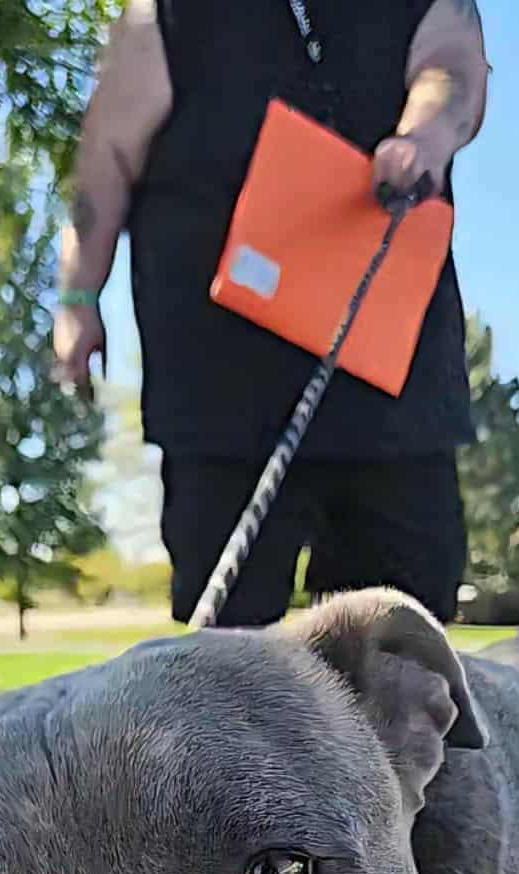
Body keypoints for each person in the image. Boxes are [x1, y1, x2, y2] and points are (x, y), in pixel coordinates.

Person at [54, 0, 489, 627]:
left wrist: (425, 133)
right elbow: (104, 158)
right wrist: (77, 299)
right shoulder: (163, 13)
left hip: (389, 377)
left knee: (400, 647)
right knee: (224, 655)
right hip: (218, 383)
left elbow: (452, 66)